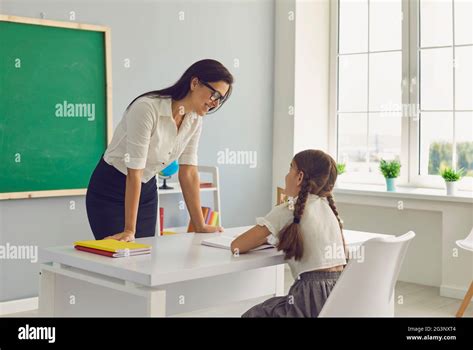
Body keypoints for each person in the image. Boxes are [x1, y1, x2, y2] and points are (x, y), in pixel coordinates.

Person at [86, 59, 233, 241]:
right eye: (215, 95)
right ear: (195, 83)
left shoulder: (195, 119)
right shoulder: (146, 108)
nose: (215, 104)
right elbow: (134, 172)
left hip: (146, 189)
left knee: (145, 256)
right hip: (111, 188)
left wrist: (200, 225)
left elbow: (188, 172)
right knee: (120, 257)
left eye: (221, 99)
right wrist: (129, 230)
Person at [231, 149, 347, 317]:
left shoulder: (288, 209)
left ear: (299, 177)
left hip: (308, 300)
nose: (286, 176)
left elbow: (237, 246)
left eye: (289, 169)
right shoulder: (328, 207)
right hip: (338, 297)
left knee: (253, 315)